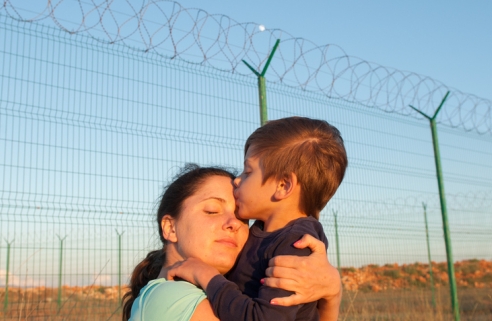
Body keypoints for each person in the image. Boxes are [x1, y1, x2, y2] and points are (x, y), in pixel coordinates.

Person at [168, 117, 348, 321]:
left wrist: (206, 275)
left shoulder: (296, 244)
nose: (237, 180)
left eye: (248, 171)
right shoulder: (263, 232)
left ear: (283, 185)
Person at [123, 164, 340, 321]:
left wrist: (330, 294)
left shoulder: (228, 301)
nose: (233, 224)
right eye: (212, 210)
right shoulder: (171, 297)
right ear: (170, 228)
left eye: (241, 217)